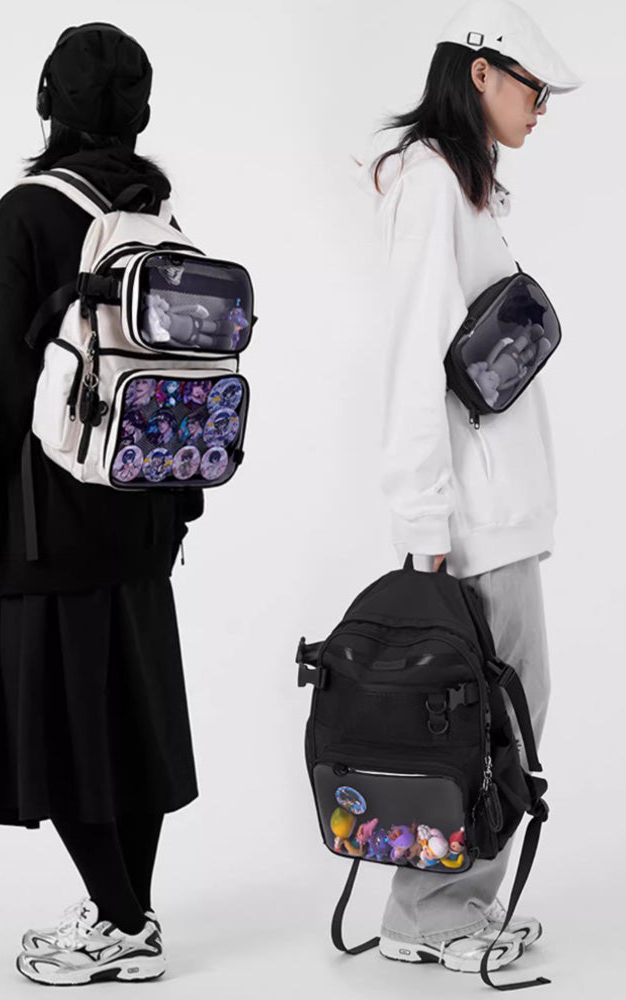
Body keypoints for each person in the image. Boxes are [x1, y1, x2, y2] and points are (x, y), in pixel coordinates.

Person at [0, 22, 204, 986]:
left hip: (48, 519)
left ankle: (122, 927)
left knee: (60, 724)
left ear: (50, 100)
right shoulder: (155, 213)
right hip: (146, 507)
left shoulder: (30, 213)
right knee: (131, 719)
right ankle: (128, 914)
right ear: (139, 113)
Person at [355, 0, 581, 976]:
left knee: (502, 708)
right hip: (472, 517)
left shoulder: (466, 186)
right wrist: (422, 517)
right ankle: (434, 910)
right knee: (495, 713)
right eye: (534, 88)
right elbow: (413, 356)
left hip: (498, 507)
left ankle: (436, 905)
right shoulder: (432, 185)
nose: (541, 107)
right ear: (481, 72)